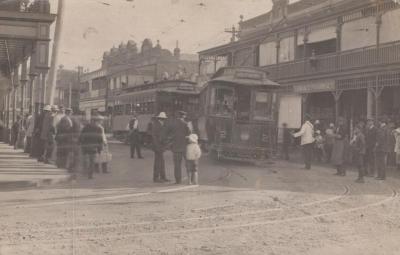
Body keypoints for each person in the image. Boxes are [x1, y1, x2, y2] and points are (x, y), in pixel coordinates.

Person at [169, 111, 191, 184]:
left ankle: (178, 180)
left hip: (176, 147)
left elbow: (170, 135)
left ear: (178, 116)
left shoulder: (173, 124)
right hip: (184, 147)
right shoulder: (186, 124)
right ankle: (190, 180)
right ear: (183, 116)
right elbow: (189, 134)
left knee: (177, 165)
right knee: (188, 163)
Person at [79, 115, 104, 179]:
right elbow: (100, 140)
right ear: (96, 121)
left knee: (85, 160)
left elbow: (81, 136)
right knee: (92, 161)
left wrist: (80, 143)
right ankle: (90, 175)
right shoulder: (99, 128)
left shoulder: (85, 127)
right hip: (93, 147)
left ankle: (84, 172)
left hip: (85, 146)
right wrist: (100, 149)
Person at [151, 112, 170, 183]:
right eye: (163, 119)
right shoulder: (156, 125)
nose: (164, 120)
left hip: (160, 146)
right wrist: (158, 146)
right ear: (161, 119)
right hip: (158, 146)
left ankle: (163, 177)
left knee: (161, 162)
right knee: (158, 162)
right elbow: (154, 137)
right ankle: (156, 178)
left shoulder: (160, 124)